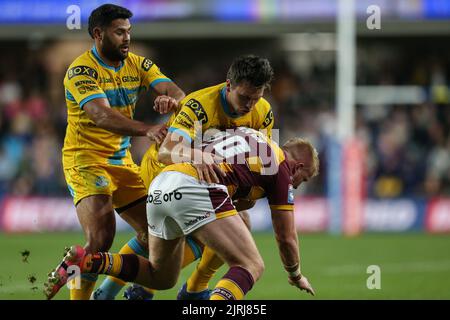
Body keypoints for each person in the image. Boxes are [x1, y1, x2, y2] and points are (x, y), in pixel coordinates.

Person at [44, 126, 319, 300]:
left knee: (160, 276)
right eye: (303, 178)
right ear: (297, 166)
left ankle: (90, 262)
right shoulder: (281, 166)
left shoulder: (247, 133)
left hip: (164, 182)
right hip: (197, 187)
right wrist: (295, 274)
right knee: (251, 264)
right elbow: (285, 236)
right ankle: (198, 296)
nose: (297, 184)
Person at [93, 54, 276, 300]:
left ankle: (121, 292)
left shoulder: (263, 112)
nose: (249, 105)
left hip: (209, 178)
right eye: (244, 97)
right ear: (228, 85)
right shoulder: (200, 105)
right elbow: (168, 150)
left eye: (257, 98)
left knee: (222, 228)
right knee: (191, 236)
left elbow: (261, 157)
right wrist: (195, 155)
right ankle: (188, 290)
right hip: (165, 172)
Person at [44, 3, 185, 300]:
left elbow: (176, 91)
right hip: (86, 160)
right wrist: (147, 128)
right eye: (119, 32)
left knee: (155, 234)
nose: (127, 38)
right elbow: (102, 116)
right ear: (98, 34)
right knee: (101, 237)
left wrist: (171, 101)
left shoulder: (139, 64)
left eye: (129, 32)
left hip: (121, 161)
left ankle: (103, 292)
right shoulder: (81, 71)